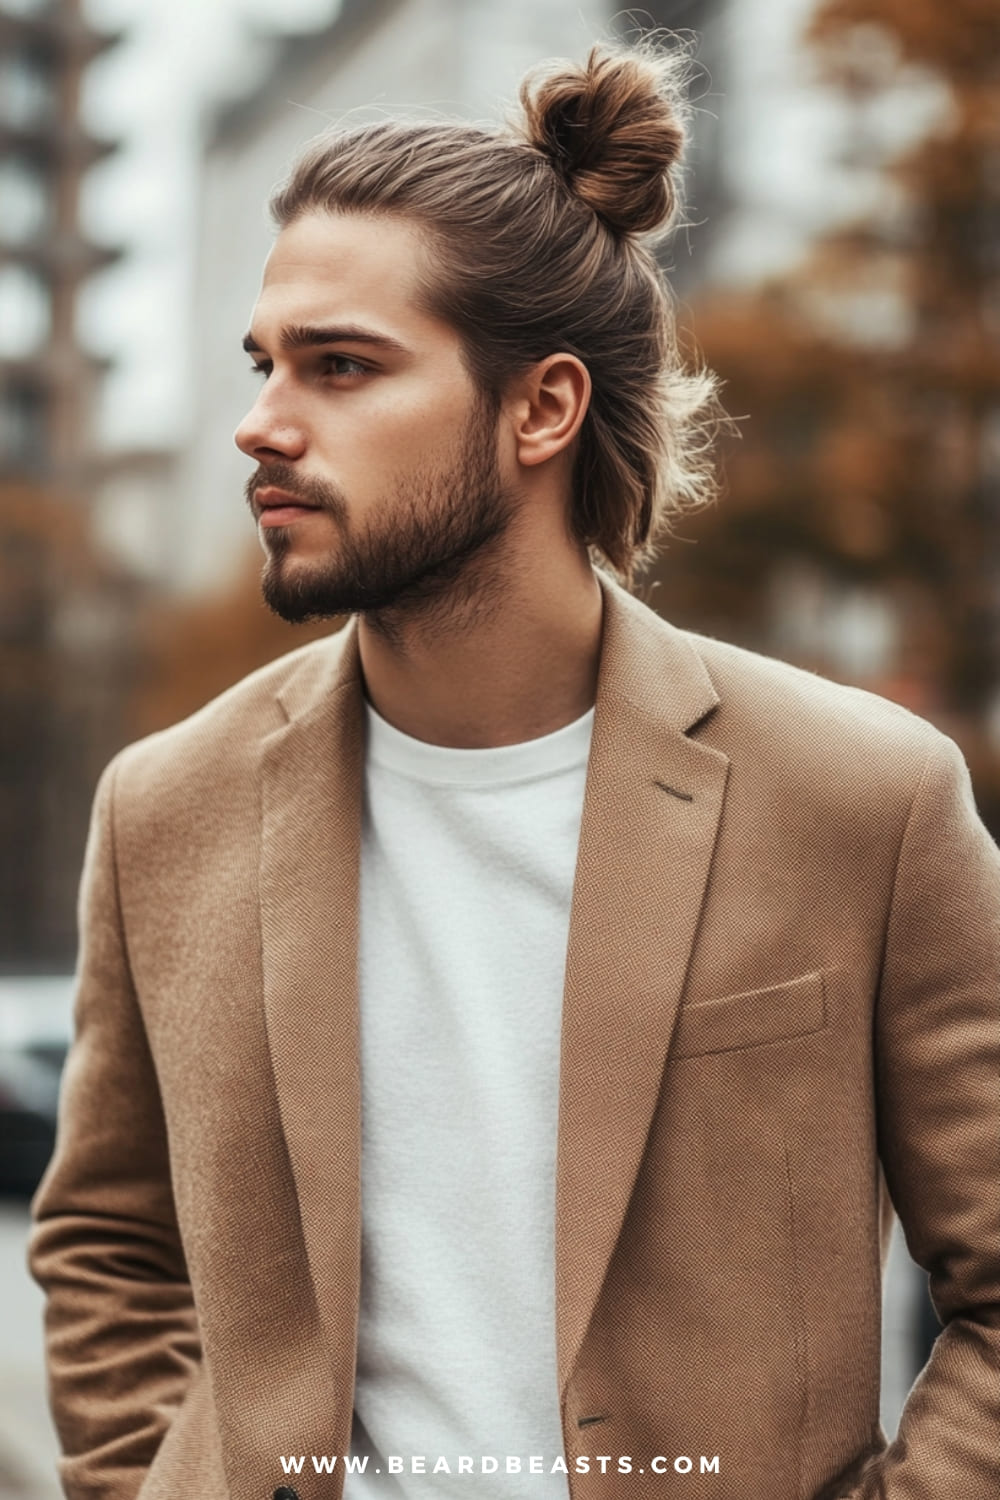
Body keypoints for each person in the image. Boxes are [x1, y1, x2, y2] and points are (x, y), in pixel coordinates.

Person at [28, 38, 1000, 1500]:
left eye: (341, 367)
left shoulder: (866, 798)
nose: (262, 423)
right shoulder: (164, 807)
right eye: (265, 365)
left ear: (540, 409)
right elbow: (109, 1248)